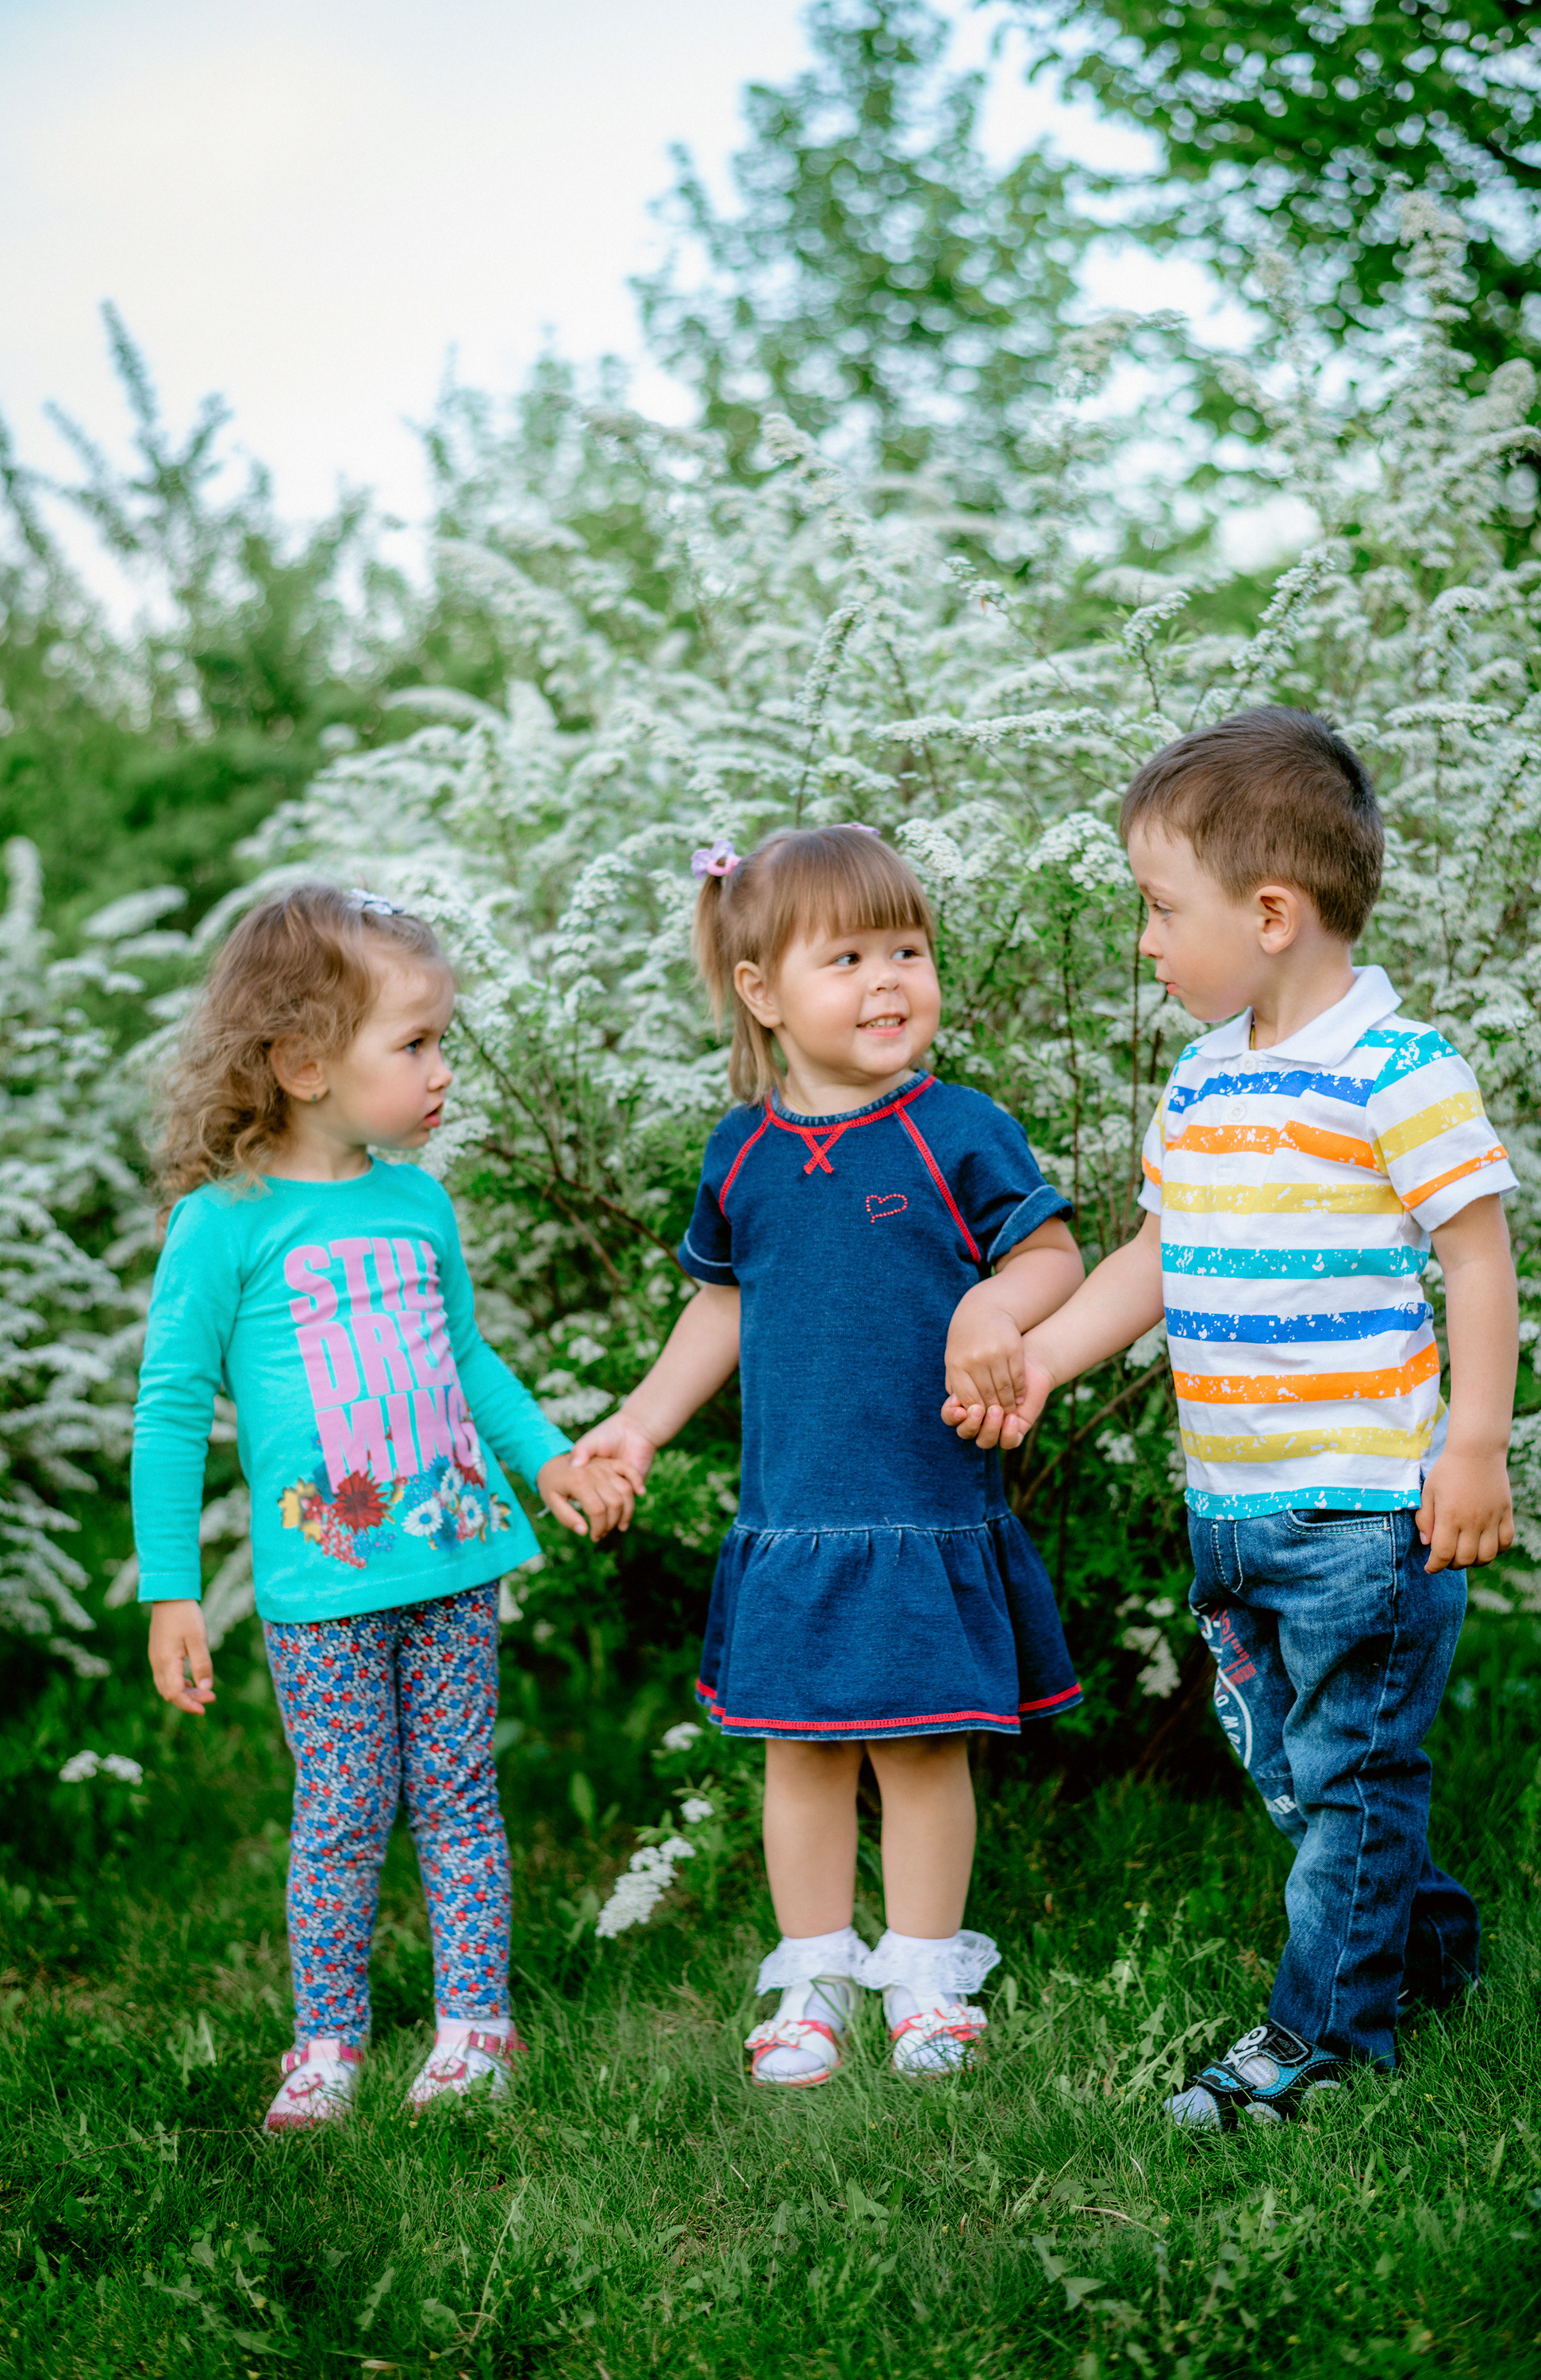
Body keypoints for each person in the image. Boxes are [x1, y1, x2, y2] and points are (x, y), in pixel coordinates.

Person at [949, 706, 1518, 2126]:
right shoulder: (1206, 1078)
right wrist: (1041, 1358)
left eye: (1161, 908)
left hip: (1365, 1512)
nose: (1145, 941)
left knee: (1350, 1776)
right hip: (1235, 1505)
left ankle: (1323, 2037)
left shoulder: (1399, 1070)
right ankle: (1427, 1950)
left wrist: (1473, 1447)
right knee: (1305, 1773)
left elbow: (1477, 1260)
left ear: (1271, 914)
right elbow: (1157, 1259)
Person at [570, 824, 1084, 2084]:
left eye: (907, 950)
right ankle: (812, 1977)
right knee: (798, 1752)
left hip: (921, 1507)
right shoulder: (742, 1152)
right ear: (762, 993)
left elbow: (1053, 1257)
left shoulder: (955, 1129)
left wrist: (993, 1306)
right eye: (846, 959)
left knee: (922, 1747)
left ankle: (925, 1973)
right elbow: (723, 1306)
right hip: (795, 1516)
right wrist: (639, 1421)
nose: (888, 980)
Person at [133, 884, 639, 2132]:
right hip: (324, 1586)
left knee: (459, 1794)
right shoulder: (223, 1227)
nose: (442, 1069)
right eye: (413, 1043)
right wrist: (171, 1591)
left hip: (455, 1560)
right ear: (304, 1063)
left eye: (440, 1040)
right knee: (345, 1810)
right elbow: (169, 1407)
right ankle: (327, 2041)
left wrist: (550, 1461)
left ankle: (476, 2025)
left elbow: (466, 1357)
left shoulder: (418, 1204)